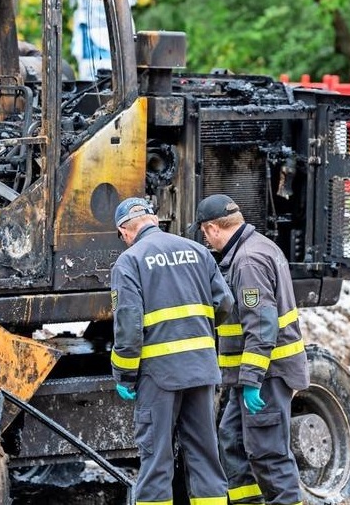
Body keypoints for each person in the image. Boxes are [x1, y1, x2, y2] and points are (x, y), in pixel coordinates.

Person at [110, 196, 233, 505]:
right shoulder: (198, 251)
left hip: (159, 375)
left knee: (156, 460)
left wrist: (124, 374)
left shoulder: (130, 260)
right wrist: (196, 329)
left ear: (125, 230)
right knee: (206, 456)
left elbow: (128, 323)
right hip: (202, 370)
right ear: (153, 220)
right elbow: (225, 303)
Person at [189, 194, 309, 505]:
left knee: (268, 454)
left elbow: (262, 325)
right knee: (233, 443)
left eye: (204, 232)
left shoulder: (248, 261)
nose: (206, 240)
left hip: (267, 374)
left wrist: (252, 380)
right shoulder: (259, 246)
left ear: (214, 228)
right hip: (253, 375)